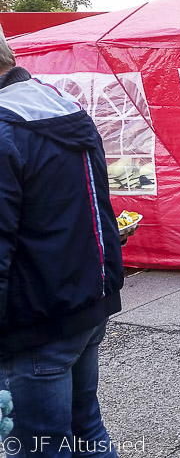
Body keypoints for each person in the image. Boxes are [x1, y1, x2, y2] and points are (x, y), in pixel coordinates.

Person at [0, 29, 124, 456]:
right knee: (86, 428)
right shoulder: (60, 103)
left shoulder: (4, 126)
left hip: (36, 316)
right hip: (86, 297)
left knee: (42, 446)